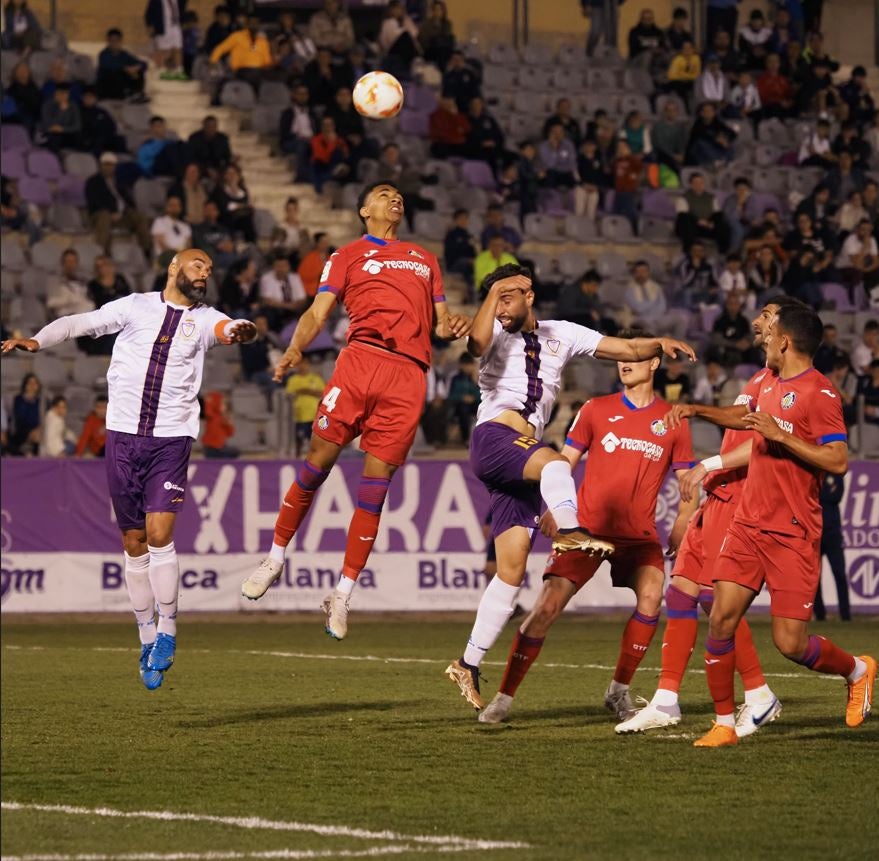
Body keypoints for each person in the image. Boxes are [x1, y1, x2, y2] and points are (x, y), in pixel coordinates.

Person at [444, 264, 697, 709]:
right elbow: (477, 343)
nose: (502, 306)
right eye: (497, 297)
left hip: (517, 457)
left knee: (511, 570)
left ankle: (468, 661)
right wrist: (494, 295)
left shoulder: (561, 332)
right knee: (557, 463)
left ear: (529, 295)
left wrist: (660, 343)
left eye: (510, 297)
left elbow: (624, 346)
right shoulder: (492, 330)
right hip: (496, 438)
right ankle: (572, 529)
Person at [2, 249, 257, 687]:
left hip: (170, 440)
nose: (204, 274)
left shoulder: (206, 318)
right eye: (198, 266)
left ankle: (169, 633)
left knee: (160, 535)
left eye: (210, 270)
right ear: (175, 266)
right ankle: (145, 636)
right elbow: (80, 323)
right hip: (121, 438)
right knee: (133, 540)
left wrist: (239, 330)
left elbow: (225, 326)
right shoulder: (135, 305)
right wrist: (38, 341)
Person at [239, 182, 471, 640]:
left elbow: (442, 322)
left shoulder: (425, 259)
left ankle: (342, 594)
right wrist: (293, 349)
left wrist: (452, 325)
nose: (395, 198)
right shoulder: (346, 255)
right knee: (316, 467)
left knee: (374, 491)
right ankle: (275, 557)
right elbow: (316, 312)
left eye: (398, 194)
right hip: (360, 362)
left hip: (408, 377)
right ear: (365, 209)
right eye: (384, 194)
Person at [667, 303, 875, 746]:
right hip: (748, 524)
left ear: (786, 340)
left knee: (791, 644)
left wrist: (782, 436)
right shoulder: (768, 382)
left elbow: (838, 460)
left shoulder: (820, 393)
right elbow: (744, 420)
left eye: (770, 331)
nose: (762, 336)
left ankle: (857, 670)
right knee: (720, 618)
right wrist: (696, 410)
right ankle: (724, 724)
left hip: (793, 532)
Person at [616, 299, 795, 736]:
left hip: (739, 500)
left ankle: (758, 693)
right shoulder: (758, 378)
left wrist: (710, 463)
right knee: (680, 594)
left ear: (786, 330)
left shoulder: (786, 386)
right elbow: (737, 423)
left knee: (719, 602)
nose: (757, 321)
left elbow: (762, 447)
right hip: (717, 497)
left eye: (767, 314)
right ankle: (666, 700)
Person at [86, 152, 152, 256]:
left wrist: (124, 212)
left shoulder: (120, 182)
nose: (109, 167)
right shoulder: (93, 182)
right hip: (101, 215)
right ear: (101, 165)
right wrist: (111, 212)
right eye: (106, 164)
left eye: (111, 165)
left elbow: (129, 201)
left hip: (121, 215)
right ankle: (101, 253)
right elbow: (94, 201)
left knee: (140, 216)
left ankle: (146, 250)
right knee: (105, 216)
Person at [814, 474, 851, 622]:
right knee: (815, 577)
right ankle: (820, 614)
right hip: (815, 533)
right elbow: (811, 496)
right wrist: (824, 492)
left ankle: (845, 614)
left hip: (833, 533)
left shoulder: (835, 474)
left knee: (840, 573)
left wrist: (819, 492)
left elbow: (836, 496)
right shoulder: (814, 472)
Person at [209, 15, 274, 92]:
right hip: (241, 70)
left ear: (259, 25)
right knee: (253, 75)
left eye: (256, 23)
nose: (254, 25)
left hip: (259, 71)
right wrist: (213, 61)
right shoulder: (237, 36)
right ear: (247, 24)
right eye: (251, 23)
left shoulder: (263, 41)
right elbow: (221, 48)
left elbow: (267, 61)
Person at [285, 354, 325, 456]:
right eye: (300, 364)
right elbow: (289, 394)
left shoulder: (316, 378)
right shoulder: (293, 379)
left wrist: (305, 390)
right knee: (299, 439)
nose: (303, 366)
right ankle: (297, 459)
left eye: (305, 363)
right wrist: (308, 391)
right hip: (300, 415)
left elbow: (323, 393)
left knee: (315, 441)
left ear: (308, 365)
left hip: (315, 415)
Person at [258, 254, 307, 330]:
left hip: (294, 308)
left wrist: (294, 305)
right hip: (276, 309)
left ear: (288, 267)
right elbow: (267, 300)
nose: (281, 269)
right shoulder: (266, 278)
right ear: (274, 267)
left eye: (283, 266)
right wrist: (287, 306)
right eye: (278, 266)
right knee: (269, 312)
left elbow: (302, 299)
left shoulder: (295, 278)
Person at [97, 28, 148, 101]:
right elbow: (110, 66)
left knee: (137, 71)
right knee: (118, 73)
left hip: (122, 83)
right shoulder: (103, 54)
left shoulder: (124, 54)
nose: (114, 43)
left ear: (120, 41)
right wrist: (126, 68)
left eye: (117, 40)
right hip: (108, 85)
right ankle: (127, 94)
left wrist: (137, 67)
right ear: (108, 41)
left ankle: (136, 94)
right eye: (112, 40)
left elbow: (143, 64)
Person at [145, 0, 186, 80]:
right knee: (162, 51)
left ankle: (179, 71)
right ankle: (161, 71)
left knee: (178, 49)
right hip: (163, 27)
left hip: (175, 27)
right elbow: (148, 14)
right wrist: (150, 26)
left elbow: (182, 9)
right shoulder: (156, 1)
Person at [447, 353, 480, 444]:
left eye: (469, 365)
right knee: (463, 409)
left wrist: (475, 382)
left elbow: (482, 396)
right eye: (465, 365)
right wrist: (462, 397)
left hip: (475, 404)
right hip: (460, 405)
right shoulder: (455, 378)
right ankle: (466, 439)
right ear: (461, 365)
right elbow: (451, 395)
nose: (467, 368)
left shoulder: (477, 378)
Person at [40, 83, 81, 153]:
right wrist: (61, 111)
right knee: (55, 136)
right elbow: (48, 123)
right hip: (51, 133)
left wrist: (63, 129)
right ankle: (54, 160)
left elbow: (77, 125)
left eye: (66, 94)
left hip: (67, 132)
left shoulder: (73, 105)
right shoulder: (47, 105)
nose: (63, 96)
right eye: (61, 93)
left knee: (80, 137)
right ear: (56, 94)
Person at [10, 372, 42, 456]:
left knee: (40, 434)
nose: (32, 385)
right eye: (30, 383)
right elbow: (21, 418)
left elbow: (41, 419)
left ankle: (35, 457)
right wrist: (32, 430)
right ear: (25, 385)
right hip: (21, 430)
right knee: (36, 435)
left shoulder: (40, 401)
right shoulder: (18, 399)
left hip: (36, 431)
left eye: (35, 383)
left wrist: (38, 428)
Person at [418, 1, 455, 69]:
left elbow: (447, 37)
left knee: (447, 47)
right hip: (430, 50)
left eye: (440, 10)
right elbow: (424, 40)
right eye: (436, 9)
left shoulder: (447, 24)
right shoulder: (426, 24)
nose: (438, 12)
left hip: (444, 49)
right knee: (440, 49)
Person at [201, 391, 238, 458]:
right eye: (222, 404)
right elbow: (208, 407)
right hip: (211, 447)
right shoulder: (212, 416)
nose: (224, 407)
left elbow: (230, 433)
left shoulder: (225, 418)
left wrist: (228, 423)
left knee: (235, 451)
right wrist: (211, 399)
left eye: (225, 405)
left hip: (220, 447)